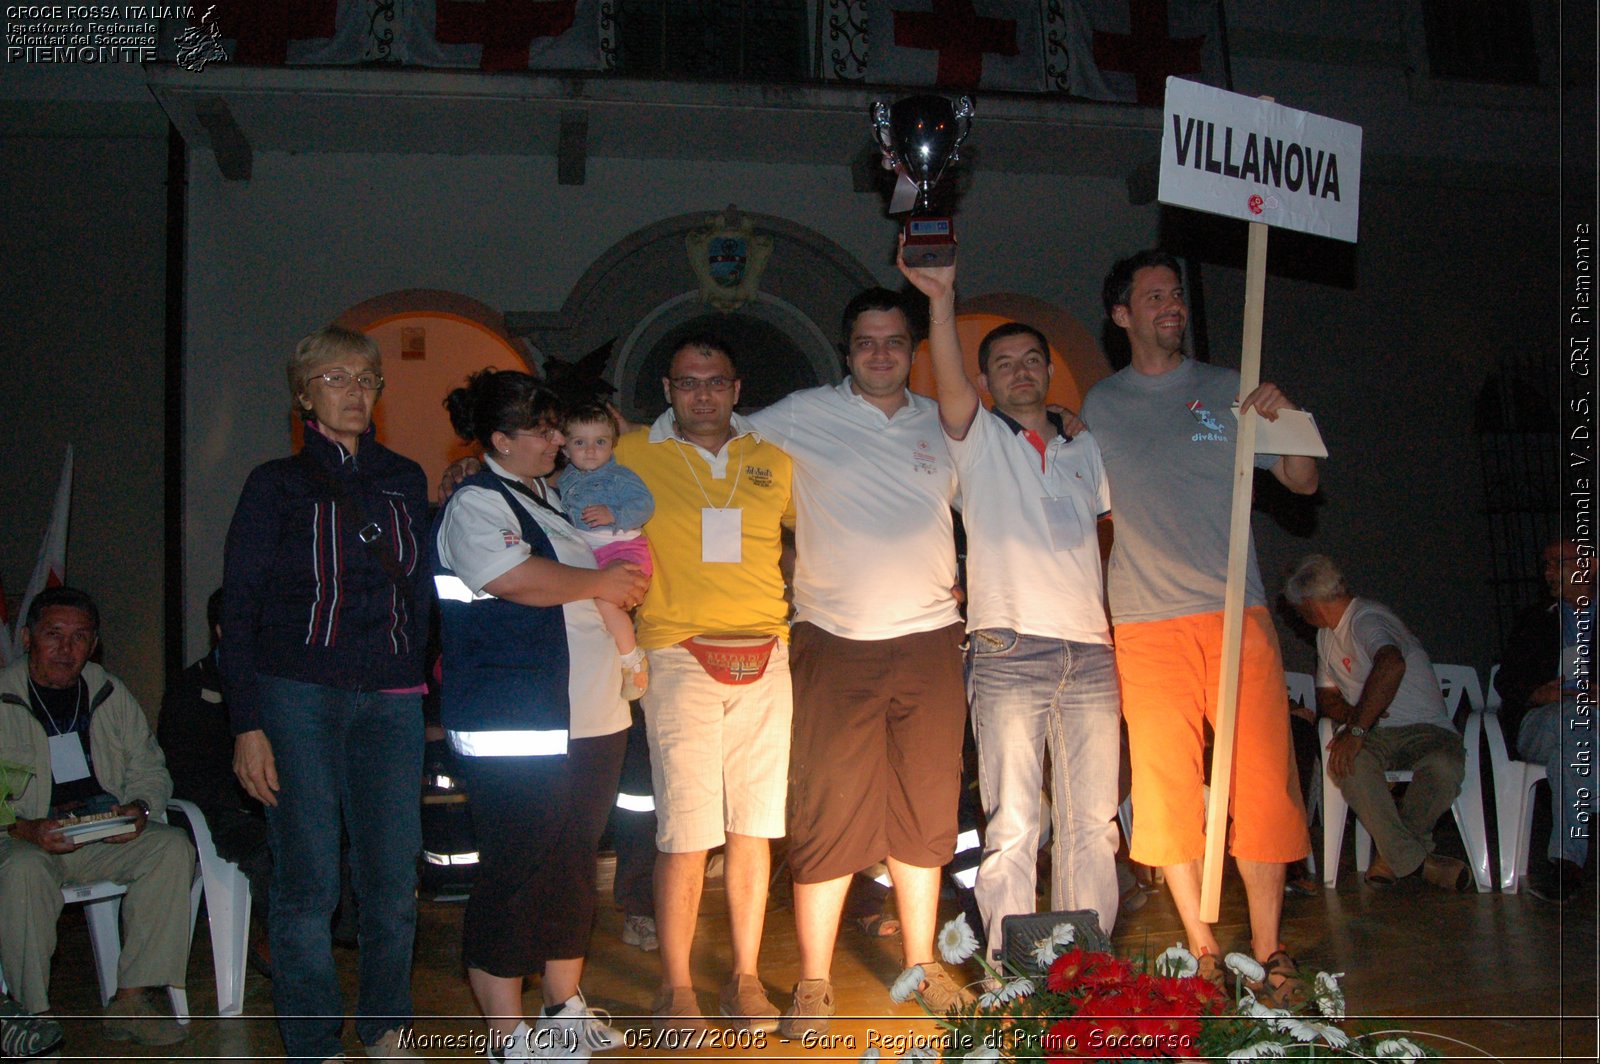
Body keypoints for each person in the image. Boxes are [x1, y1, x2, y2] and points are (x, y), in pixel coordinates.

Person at [1079, 251, 1319, 1003]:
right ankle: (1203, 946)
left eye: (1176, 294)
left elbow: (1305, 483)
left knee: (1261, 784)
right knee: (1164, 788)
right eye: (1153, 296)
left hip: (1234, 613)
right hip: (1146, 625)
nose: (1171, 305)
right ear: (1122, 316)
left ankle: (1273, 949)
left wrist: (1286, 415)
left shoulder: (1231, 389)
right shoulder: (1100, 407)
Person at [742, 289, 973, 1034]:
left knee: (926, 809)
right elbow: (701, 437)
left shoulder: (945, 424)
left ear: (913, 349)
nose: (881, 353)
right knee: (826, 812)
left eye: (894, 341)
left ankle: (923, 965)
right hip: (833, 643)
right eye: (867, 342)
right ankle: (813, 981)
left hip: (932, 641)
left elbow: (1001, 497)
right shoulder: (801, 413)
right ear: (847, 351)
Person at [898, 250, 1122, 958]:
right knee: (1017, 818)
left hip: (1090, 652)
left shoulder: (1086, 450)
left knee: (1095, 821)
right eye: (1004, 364)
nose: (1020, 371)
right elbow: (950, 379)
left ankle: (1088, 969)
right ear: (987, 381)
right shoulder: (978, 439)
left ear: (1050, 372)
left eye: (1033, 360)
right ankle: (1015, 970)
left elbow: (1108, 526)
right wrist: (940, 296)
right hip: (1009, 649)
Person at [223, 325, 432, 1063]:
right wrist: (247, 723)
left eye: (366, 379)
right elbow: (239, 607)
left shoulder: (406, 478)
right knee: (308, 879)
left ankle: (385, 1028)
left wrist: (423, 676)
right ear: (304, 395)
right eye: (336, 378)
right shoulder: (274, 485)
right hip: (298, 696)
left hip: (392, 699)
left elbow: (425, 593)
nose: (355, 392)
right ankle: (313, 1043)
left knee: (391, 877)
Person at [435, 370, 647, 1061]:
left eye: (559, 427)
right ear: (499, 439)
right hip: (515, 722)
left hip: (590, 716)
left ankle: (563, 1007)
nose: (557, 439)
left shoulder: (550, 497)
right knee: (516, 867)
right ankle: (506, 1035)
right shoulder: (475, 502)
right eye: (543, 429)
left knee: (572, 865)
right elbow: (510, 577)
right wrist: (600, 581)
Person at [612, 337, 796, 1034]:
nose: (703, 395)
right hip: (678, 653)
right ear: (667, 389)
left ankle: (745, 977)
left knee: (754, 825)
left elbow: (830, 530)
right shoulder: (633, 455)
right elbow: (564, 476)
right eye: (688, 383)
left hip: (767, 652)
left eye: (715, 382)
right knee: (686, 829)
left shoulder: (772, 462)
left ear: (736, 387)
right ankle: (676, 985)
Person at [0, 587, 195, 1047]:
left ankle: (131, 999)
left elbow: (150, 767)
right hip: (23, 837)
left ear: (94, 644)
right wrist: (25, 827)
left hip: (100, 833)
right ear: (28, 638)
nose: (67, 649)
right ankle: (33, 1013)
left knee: (171, 848)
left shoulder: (108, 691)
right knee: (23, 871)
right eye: (54, 635)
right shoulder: (4, 697)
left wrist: (140, 809)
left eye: (80, 637)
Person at [1284, 554, 1469, 890]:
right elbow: (1327, 699)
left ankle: (1394, 858)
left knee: (1443, 768)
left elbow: (1391, 664)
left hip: (1425, 729)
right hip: (1376, 732)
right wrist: (1361, 718)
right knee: (1347, 763)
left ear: (1309, 603)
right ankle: (1417, 862)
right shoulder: (1327, 637)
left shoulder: (1366, 619)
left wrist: (1356, 728)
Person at [157, 588, 273, 960]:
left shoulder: (280, 686)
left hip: (275, 801)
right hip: (223, 812)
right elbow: (184, 770)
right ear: (223, 631)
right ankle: (279, 943)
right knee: (276, 849)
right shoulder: (191, 688)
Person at [1495, 537, 1596, 902]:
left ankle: (1567, 866)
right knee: (1571, 718)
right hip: (1541, 721)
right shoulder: (1536, 619)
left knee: (1571, 750)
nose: (1548, 573)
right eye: (1546, 564)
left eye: (1558, 563)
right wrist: (1540, 693)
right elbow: (1506, 680)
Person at [558, 402, 655, 700]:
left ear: (612, 445)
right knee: (588, 606)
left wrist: (614, 513)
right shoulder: (565, 480)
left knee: (606, 601)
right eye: (579, 443)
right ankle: (609, 664)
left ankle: (632, 660)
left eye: (599, 442)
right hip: (590, 553)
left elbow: (645, 505)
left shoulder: (620, 477)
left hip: (623, 550)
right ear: (564, 449)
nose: (590, 450)